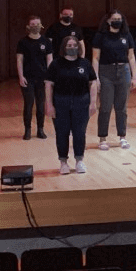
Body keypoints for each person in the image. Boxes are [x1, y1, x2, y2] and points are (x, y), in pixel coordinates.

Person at [44, 36, 98, 176]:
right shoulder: (56, 64)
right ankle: (63, 162)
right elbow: (49, 84)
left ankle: (79, 160)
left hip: (81, 102)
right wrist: (49, 104)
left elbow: (93, 83)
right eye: (69, 45)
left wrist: (93, 103)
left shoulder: (85, 64)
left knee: (79, 132)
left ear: (78, 47)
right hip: (61, 102)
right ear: (63, 47)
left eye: (74, 45)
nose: (72, 47)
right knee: (62, 133)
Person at [91, 10, 136, 152]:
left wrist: (134, 75)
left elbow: (131, 57)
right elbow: (95, 58)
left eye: (119, 18)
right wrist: (96, 78)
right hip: (106, 72)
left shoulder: (127, 35)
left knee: (122, 107)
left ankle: (122, 137)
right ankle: (102, 138)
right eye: (114, 18)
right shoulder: (100, 36)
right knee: (105, 106)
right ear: (108, 21)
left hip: (123, 71)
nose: (117, 21)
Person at [15, 16, 52, 141]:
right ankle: (27, 130)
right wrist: (21, 76)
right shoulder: (23, 42)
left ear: (41, 25)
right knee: (29, 104)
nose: (35, 26)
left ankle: (40, 129)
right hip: (28, 78)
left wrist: (49, 77)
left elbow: (49, 60)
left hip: (42, 78)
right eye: (32, 24)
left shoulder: (46, 42)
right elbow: (19, 60)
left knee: (41, 105)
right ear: (28, 26)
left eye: (37, 23)